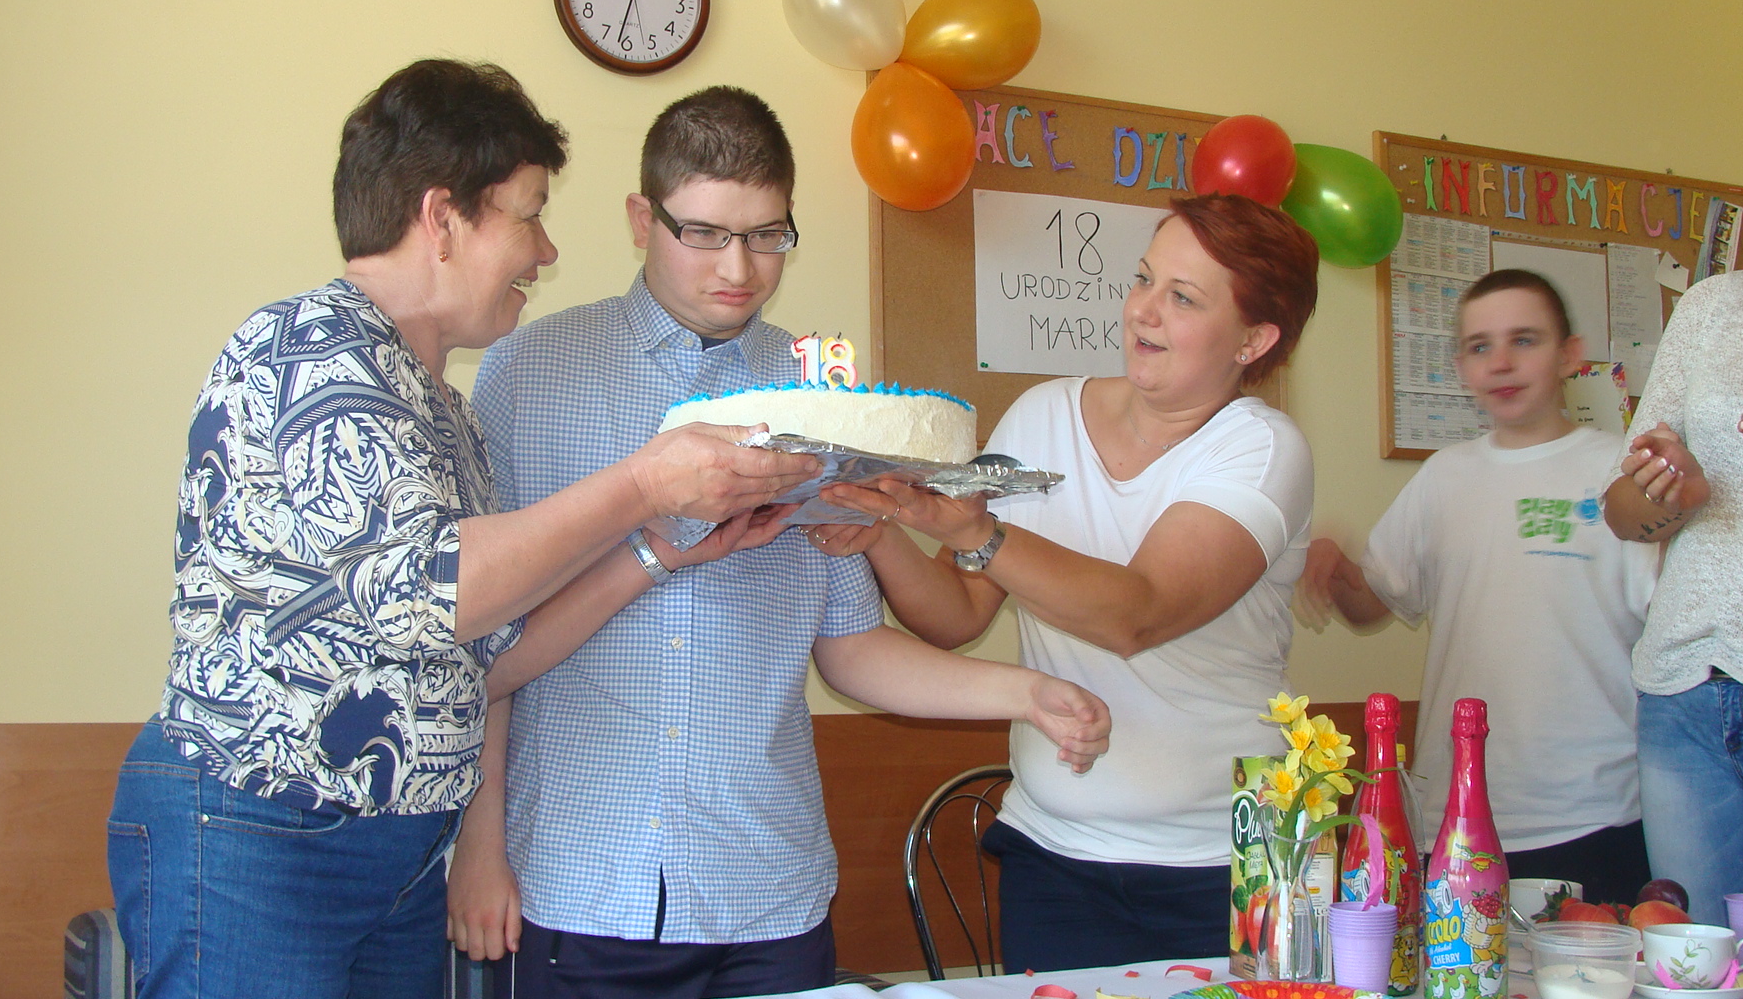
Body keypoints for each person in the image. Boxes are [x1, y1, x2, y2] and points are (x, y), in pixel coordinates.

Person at [105, 60, 829, 999]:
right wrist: (646, 483)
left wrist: (661, 552)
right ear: (442, 220)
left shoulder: (443, 412)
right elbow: (440, 590)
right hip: (261, 827)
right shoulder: (311, 348)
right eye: (528, 215)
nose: (545, 251)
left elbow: (498, 653)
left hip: (399, 842)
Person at [450, 85, 1112, 999]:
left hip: (769, 888)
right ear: (643, 219)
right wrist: (478, 846)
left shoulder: (821, 397)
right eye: (705, 233)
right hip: (579, 878)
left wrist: (1027, 692)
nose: (740, 267)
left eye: (768, 235)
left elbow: (850, 647)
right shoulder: (530, 371)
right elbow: (481, 645)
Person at [814, 194, 1320, 973]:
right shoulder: (1042, 414)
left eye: (1183, 298)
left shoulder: (1262, 448)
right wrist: (885, 526)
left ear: (1253, 339)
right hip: (1058, 853)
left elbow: (1139, 613)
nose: (1143, 310)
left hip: (1235, 857)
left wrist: (976, 533)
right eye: (1144, 279)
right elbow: (956, 613)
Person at [1300, 269, 1657, 904]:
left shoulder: (1620, 473)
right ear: (1462, 368)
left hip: (1596, 814)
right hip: (1453, 820)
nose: (1501, 363)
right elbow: (1371, 604)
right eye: (1479, 346)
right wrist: (1333, 565)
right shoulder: (1445, 477)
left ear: (1570, 354)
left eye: (1525, 339)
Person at [1601, 267, 1743, 927]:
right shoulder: (1713, 304)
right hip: (1687, 692)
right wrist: (1672, 490)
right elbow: (1621, 513)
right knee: (1691, 964)